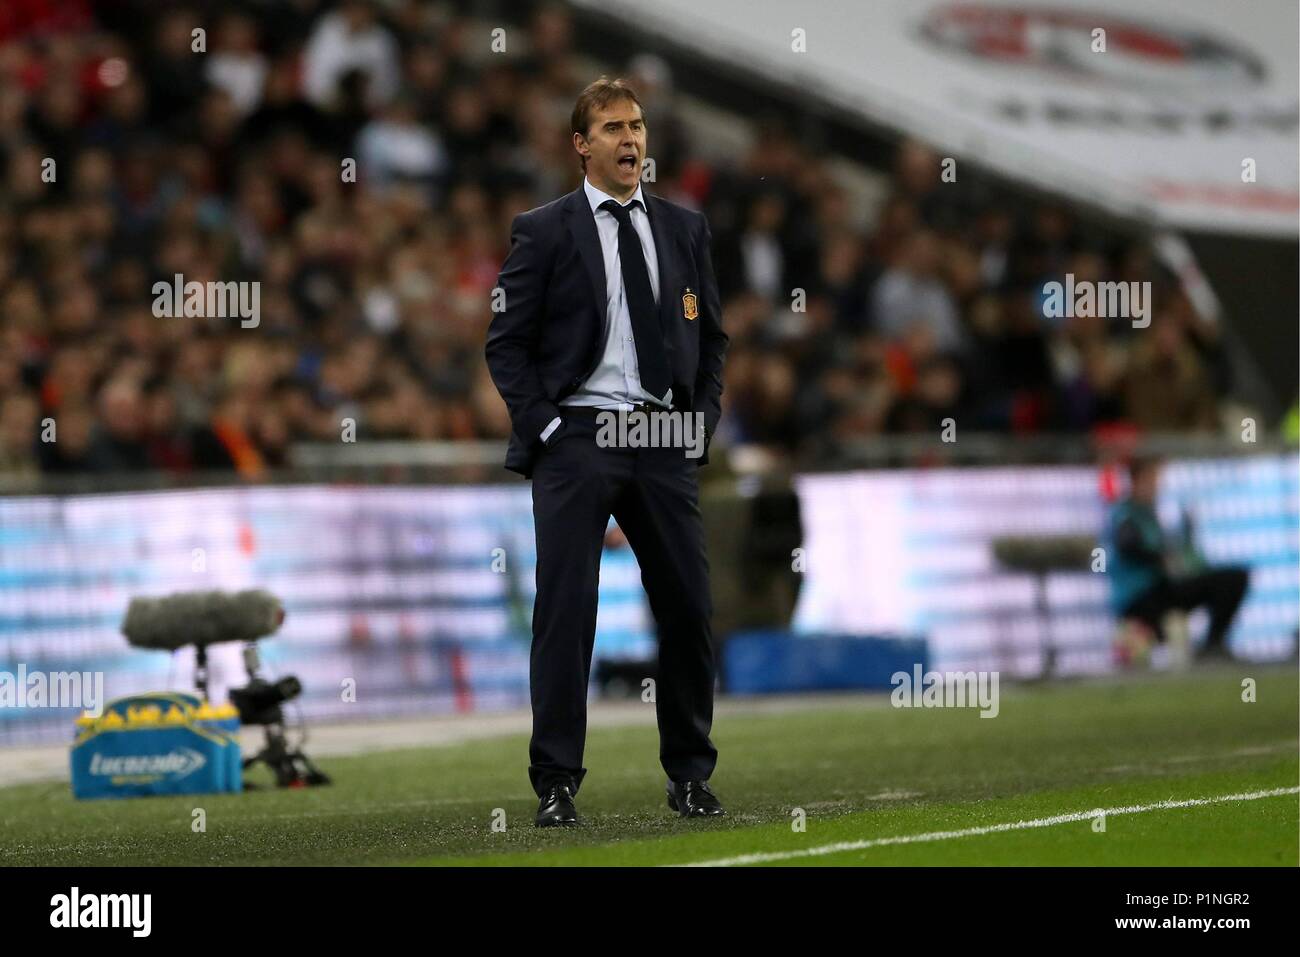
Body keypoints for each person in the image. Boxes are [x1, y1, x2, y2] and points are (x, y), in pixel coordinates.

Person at [485, 77, 728, 826]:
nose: (631, 139)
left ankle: (690, 775)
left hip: (659, 436)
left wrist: (698, 425)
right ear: (581, 145)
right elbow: (506, 344)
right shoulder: (544, 230)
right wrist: (548, 430)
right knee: (567, 611)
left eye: (638, 126)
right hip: (580, 432)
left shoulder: (685, 229)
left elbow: (712, 341)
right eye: (614, 127)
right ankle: (556, 782)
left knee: (688, 605)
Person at [1105, 457, 1249, 662]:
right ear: (1135, 481)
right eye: (1151, 479)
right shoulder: (1125, 512)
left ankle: (1213, 646)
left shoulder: (1149, 513)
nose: (1156, 486)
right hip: (1140, 598)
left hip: (1162, 591)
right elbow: (1128, 544)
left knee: (1232, 579)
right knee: (1228, 581)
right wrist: (1160, 559)